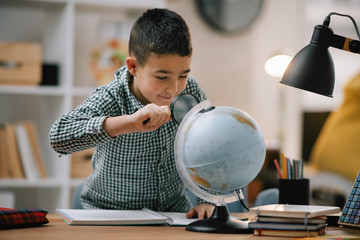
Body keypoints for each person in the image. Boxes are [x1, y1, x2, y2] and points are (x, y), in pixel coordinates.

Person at [49, 8, 214, 219]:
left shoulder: (191, 91)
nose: (173, 89)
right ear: (133, 66)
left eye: (182, 75)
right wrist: (130, 123)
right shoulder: (111, 96)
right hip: (109, 215)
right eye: (162, 77)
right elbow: (58, 137)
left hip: (173, 214)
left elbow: (208, 146)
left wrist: (206, 201)